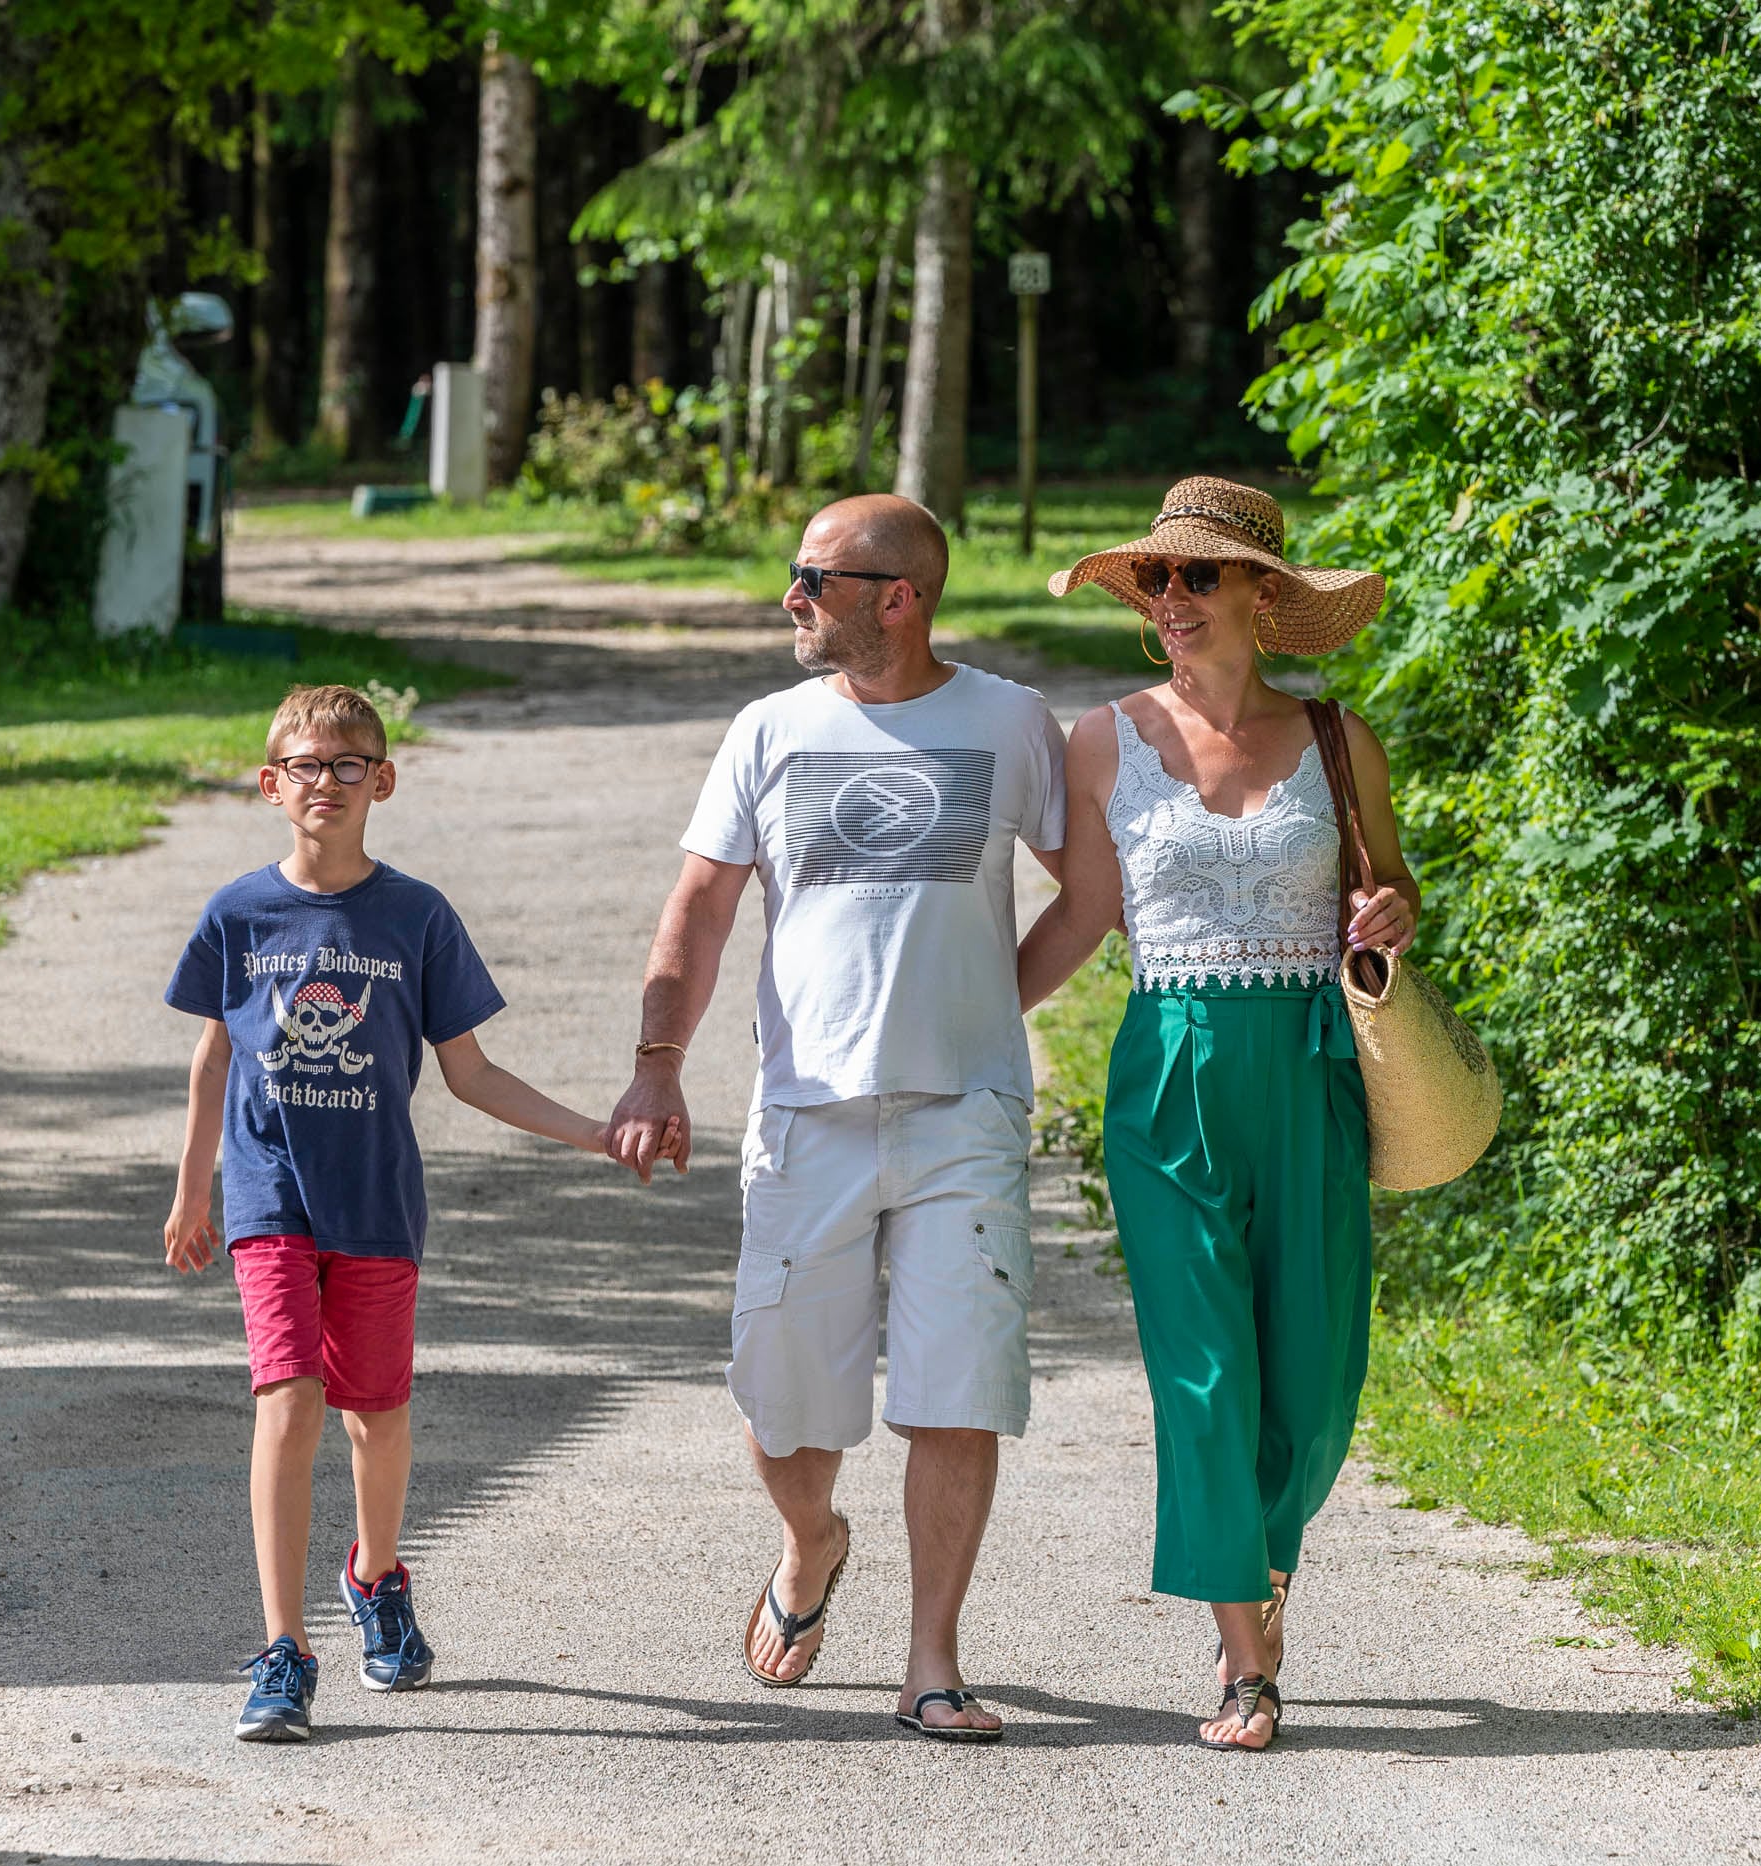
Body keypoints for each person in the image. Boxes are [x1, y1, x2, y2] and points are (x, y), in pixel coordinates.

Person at [606, 495, 1067, 1743]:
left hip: (963, 1111)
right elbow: (698, 907)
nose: (788, 598)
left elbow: (1092, 893)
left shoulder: (1009, 720)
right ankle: (812, 1541)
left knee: (955, 1390)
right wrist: (657, 1062)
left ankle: (929, 1660)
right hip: (805, 1112)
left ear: (898, 598)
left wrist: (989, 995)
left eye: (812, 577)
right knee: (781, 1399)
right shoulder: (768, 727)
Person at [1018, 477, 1418, 1752]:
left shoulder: (1339, 737)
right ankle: (1246, 1660)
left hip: (1308, 1069)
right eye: (1155, 579)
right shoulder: (1104, 739)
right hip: (1168, 1071)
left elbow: (1390, 882)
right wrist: (966, 1025)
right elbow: (1081, 918)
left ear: (1260, 593)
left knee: (1314, 1374)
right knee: (1201, 1369)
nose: (1170, 598)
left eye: (1194, 577)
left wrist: (1390, 912)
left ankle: (1261, 1555)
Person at [162, 683, 641, 1743]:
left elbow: (470, 1072)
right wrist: (194, 1187)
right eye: (303, 764)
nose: (322, 781)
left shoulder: (415, 915)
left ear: (382, 779)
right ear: (269, 784)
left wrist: (593, 1132)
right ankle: (282, 1650)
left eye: (346, 764)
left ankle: (375, 1575)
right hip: (268, 1193)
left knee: (373, 1416)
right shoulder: (240, 912)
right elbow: (213, 1055)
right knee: (286, 1395)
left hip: (375, 1203)